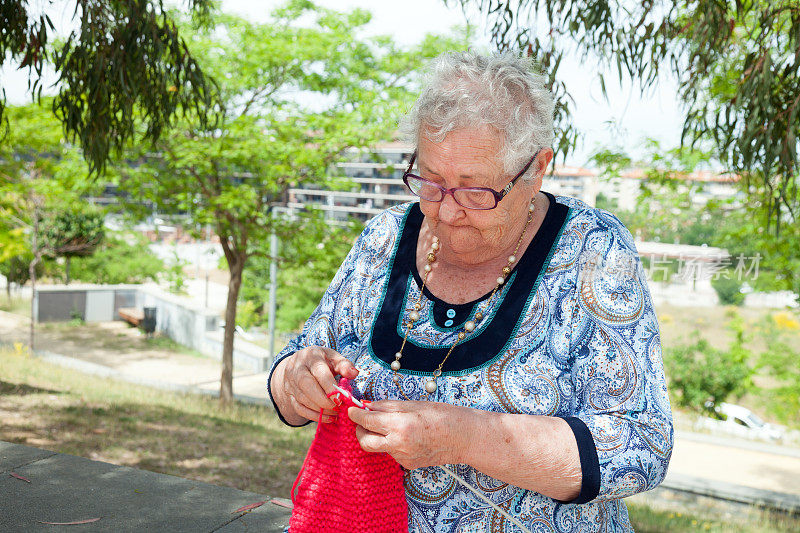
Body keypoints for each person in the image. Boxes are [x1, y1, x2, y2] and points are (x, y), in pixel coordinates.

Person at [268, 51, 673, 532]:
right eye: (431, 182)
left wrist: (462, 437)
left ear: (537, 168)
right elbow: (290, 377)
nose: (447, 210)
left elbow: (640, 444)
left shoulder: (592, 252)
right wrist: (296, 380)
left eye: (476, 191)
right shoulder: (383, 238)